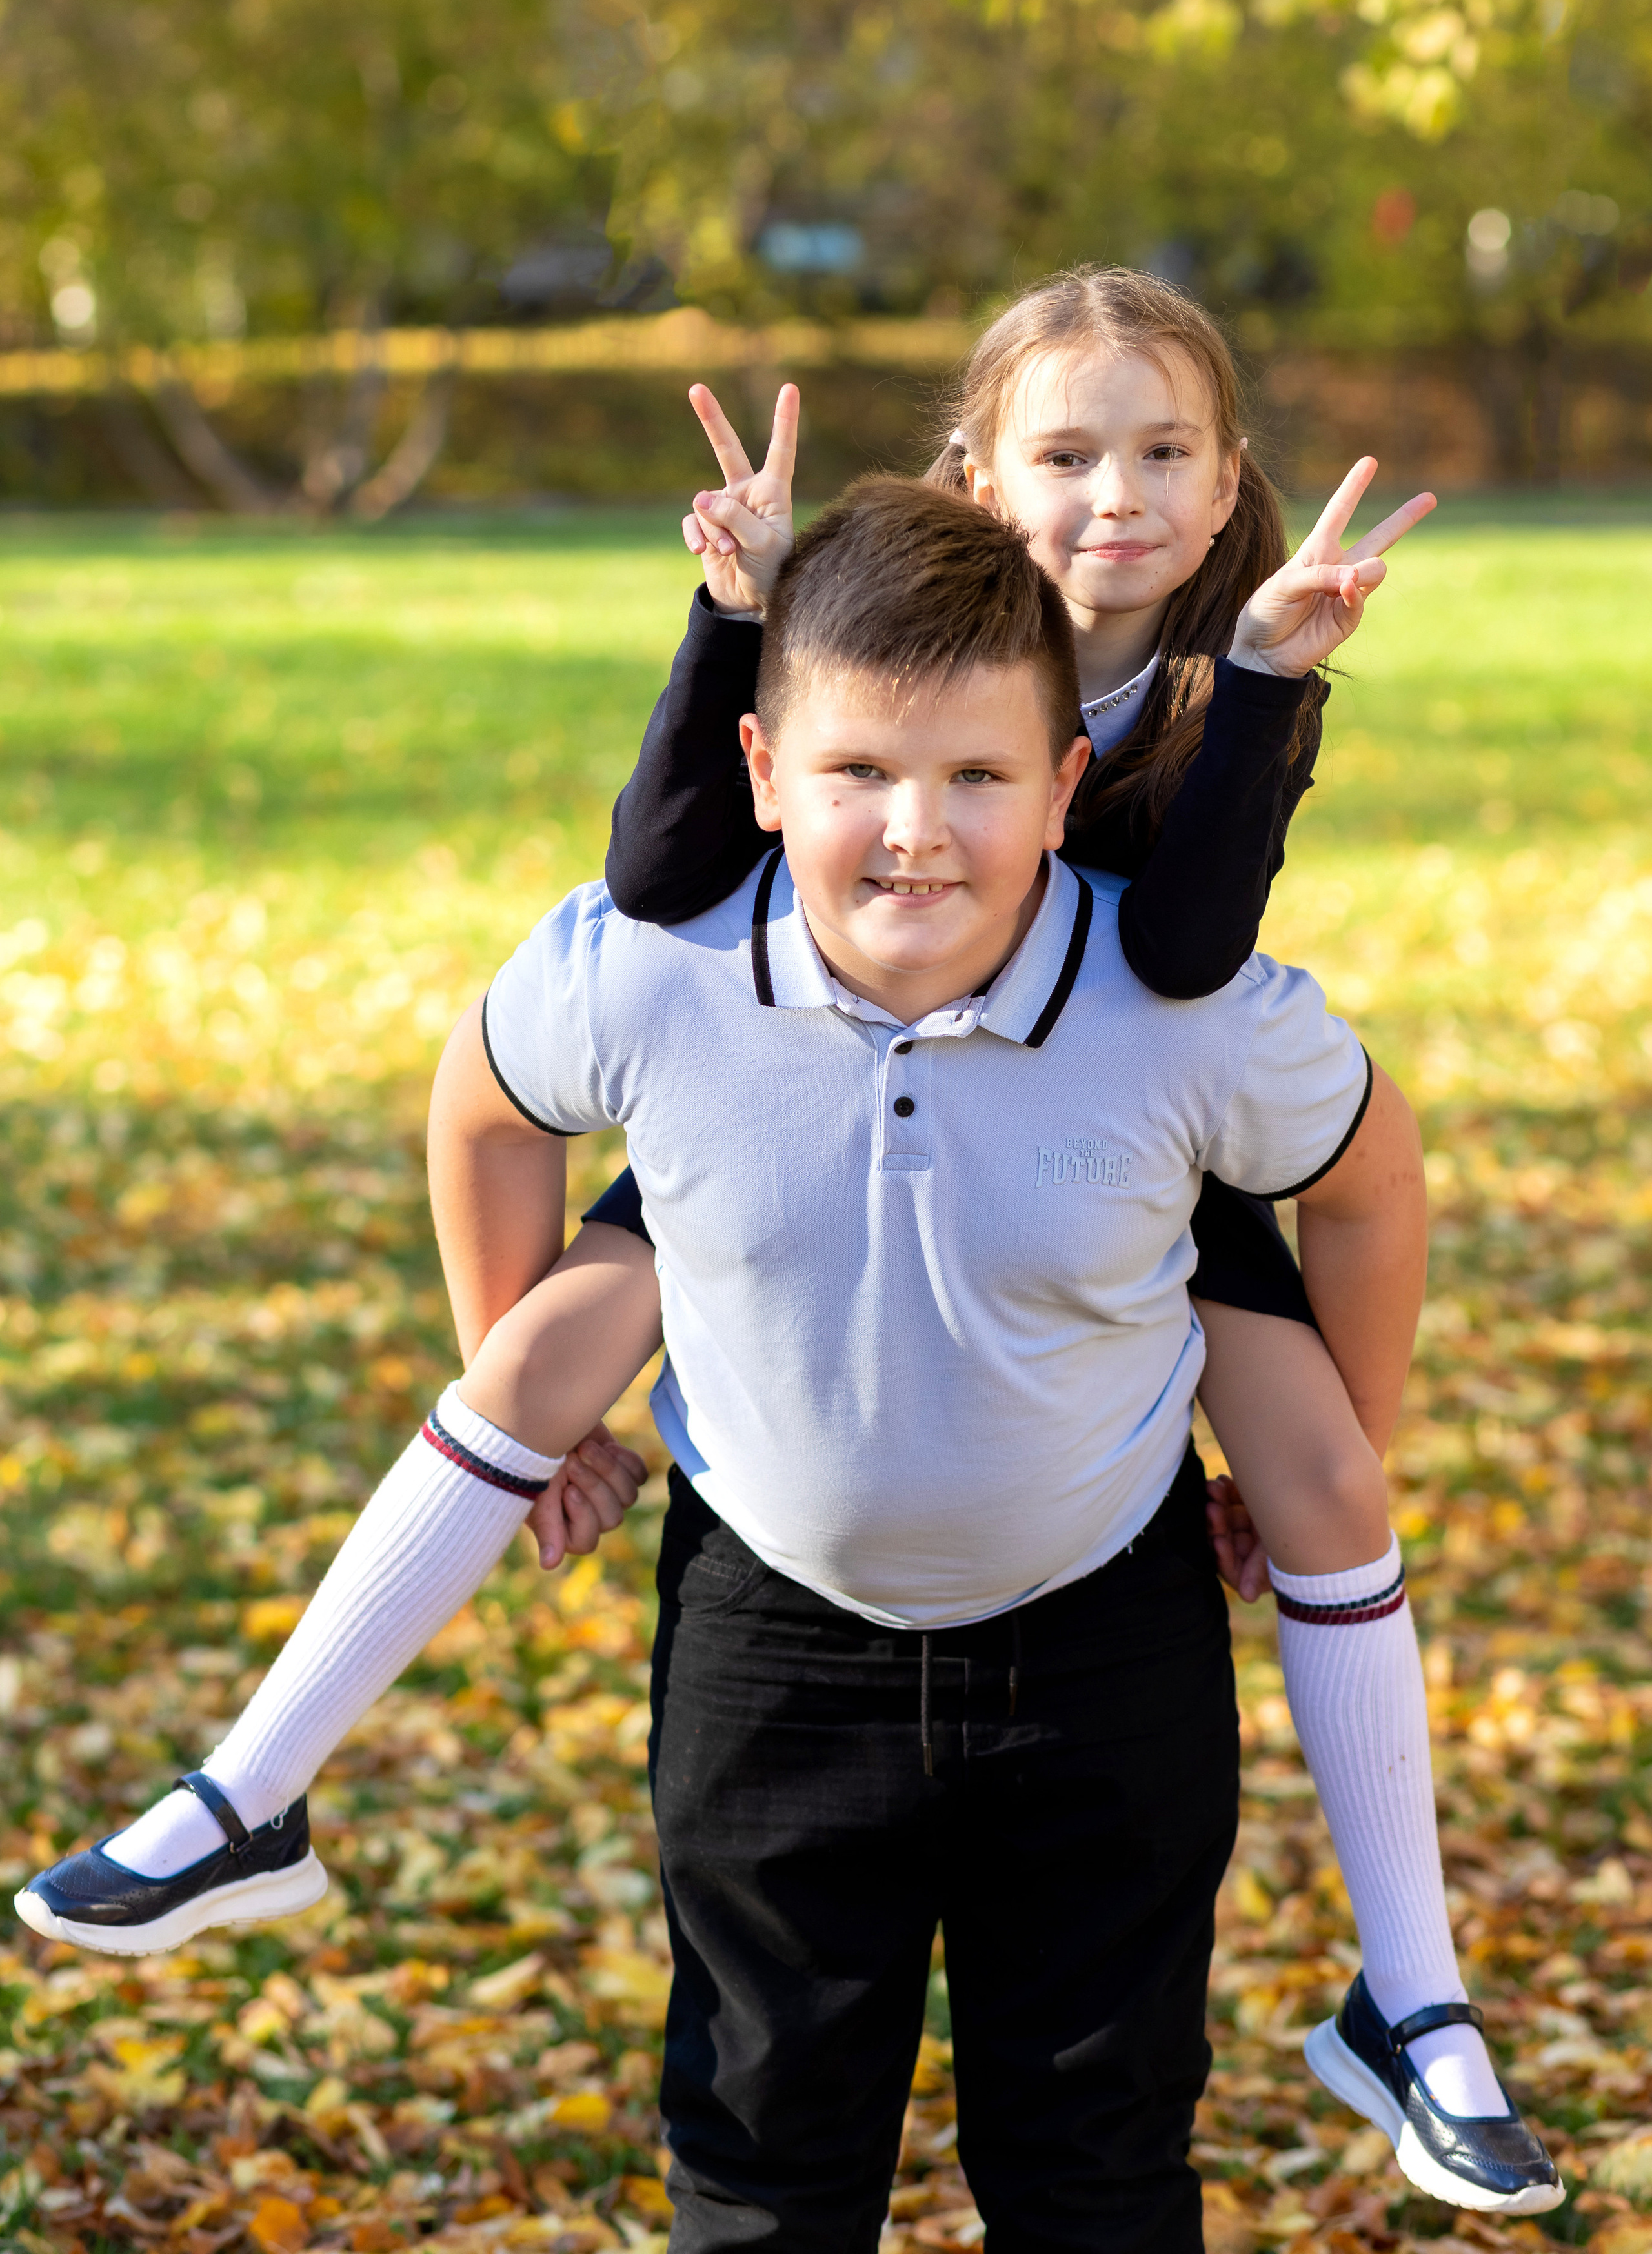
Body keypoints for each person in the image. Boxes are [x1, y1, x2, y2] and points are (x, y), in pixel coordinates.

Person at [21, 475, 1558, 2238]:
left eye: (979, 778)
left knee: (1101, 2176)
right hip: (772, 1649)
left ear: (1067, 787)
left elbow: (1368, 1176)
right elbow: (486, 1103)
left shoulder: (1180, 1012)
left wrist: (1340, 1437)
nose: (918, 832)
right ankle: (250, 1798)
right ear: (760, 771)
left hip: (1101, 1650)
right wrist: (521, 1377)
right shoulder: (655, 968)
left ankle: (1414, 2001)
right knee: (761, 2173)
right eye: (858, 774)